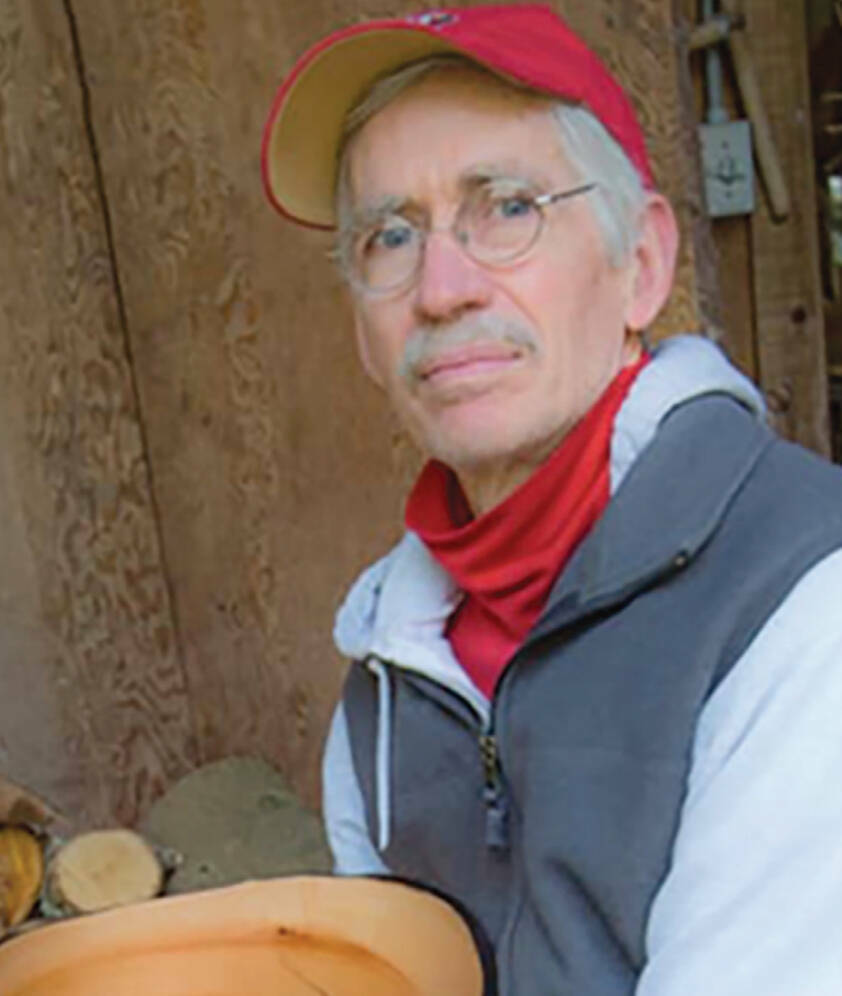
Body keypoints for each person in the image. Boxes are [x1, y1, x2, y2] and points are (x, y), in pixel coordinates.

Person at [261, 6, 842, 994]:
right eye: (390, 236)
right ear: (361, 332)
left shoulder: (797, 598)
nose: (441, 289)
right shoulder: (387, 677)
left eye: (506, 208)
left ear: (639, 266)